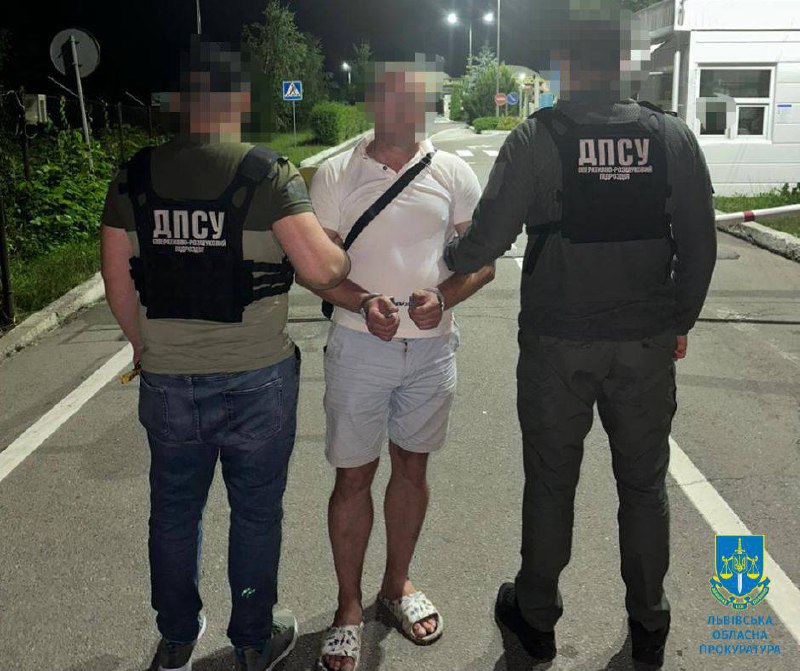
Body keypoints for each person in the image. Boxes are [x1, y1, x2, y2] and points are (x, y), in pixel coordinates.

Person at [444, 4, 717, 669]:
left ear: (565, 64)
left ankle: (536, 619)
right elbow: (700, 245)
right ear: (622, 63)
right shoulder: (670, 138)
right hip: (644, 345)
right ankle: (649, 624)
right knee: (644, 487)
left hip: (557, 346)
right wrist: (678, 320)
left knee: (550, 482)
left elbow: (488, 238)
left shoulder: (538, 138)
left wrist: (450, 256)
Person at [100, 38, 350, 671]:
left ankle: (176, 637)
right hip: (256, 379)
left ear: (180, 101)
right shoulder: (267, 172)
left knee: (173, 513)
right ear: (238, 99)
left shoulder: (133, 175)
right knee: (256, 513)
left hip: (167, 379)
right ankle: (253, 638)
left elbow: (117, 282)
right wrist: (340, 250)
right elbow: (322, 270)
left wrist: (146, 348)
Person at [306, 59, 494, 671]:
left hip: (432, 348)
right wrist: (363, 302)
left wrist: (445, 296)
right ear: (371, 102)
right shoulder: (336, 173)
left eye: (413, 98)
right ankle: (348, 608)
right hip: (358, 347)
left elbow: (483, 260)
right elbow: (314, 267)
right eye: (389, 96)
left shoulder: (453, 172)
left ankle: (396, 586)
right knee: (353, 477)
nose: (401, 109)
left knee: (412, 469)